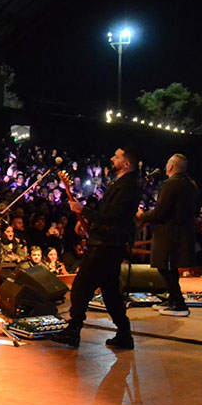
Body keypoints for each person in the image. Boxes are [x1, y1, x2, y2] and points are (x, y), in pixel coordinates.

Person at [50, 147, 141, 350]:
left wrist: (84, 211)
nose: (112, 158)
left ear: (127, 163)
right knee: (110, 292)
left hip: (106, 245)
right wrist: (88, 218)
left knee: (81, 286)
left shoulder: (127, 186)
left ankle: (74, 329)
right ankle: (124, 334)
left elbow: (112, 218)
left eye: (117, 156)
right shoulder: (123, 184)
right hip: (109, 244)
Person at [137, 153, 199, 317]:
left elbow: (161, 212)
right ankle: (173, 299)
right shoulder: (191, 184)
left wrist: (142, 216)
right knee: (170, 268)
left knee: (165, 267)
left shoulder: (171, 184)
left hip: (169, 233)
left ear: (171, 166)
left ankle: (178, 303)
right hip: (182, 232)